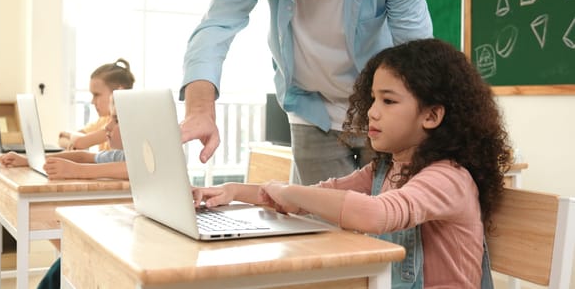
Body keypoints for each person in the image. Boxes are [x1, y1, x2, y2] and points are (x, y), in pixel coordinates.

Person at [193, 39, 512, 288]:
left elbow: (376, 214)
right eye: (373, 99)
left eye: (388, 101)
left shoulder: (448, 177)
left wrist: (289, 192)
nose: (372, 111)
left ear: (431, 115)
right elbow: (317, 196)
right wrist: (234, 191)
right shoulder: (386, 169)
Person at [179, 0, 433, 186]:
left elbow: (414, 51)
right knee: (320, 222)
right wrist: (199, 109)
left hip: (381, 112)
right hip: (312, 109)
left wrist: (418, 127)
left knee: (388, 220)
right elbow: (218, 24)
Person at [1, 95, 127, 180]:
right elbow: (82, 156)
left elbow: (129, 169)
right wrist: (29, 160)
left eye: (116, 120)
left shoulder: (133, 162)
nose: (107, 127)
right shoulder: (120, 155)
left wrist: (76, 171)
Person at [59, 58, 135, 151]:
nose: (92, 102)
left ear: (118, 92)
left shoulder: (118, 125)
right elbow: (62, 138)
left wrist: (72, 139)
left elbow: (80, 142)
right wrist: (73, 143)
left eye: (97, 95)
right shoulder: (104, 120)